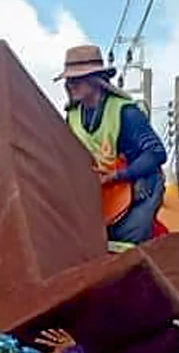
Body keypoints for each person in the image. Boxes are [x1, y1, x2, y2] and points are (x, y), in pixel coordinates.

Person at [56, 44, 168, 250]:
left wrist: (117, 175)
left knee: (125, 247)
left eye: (76, 80)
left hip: (137, 191)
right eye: (69, 81)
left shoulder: (125, 112)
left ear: (95, 81)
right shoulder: (72, 117)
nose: (71, 85)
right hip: (100, 194)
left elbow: (156, 152)